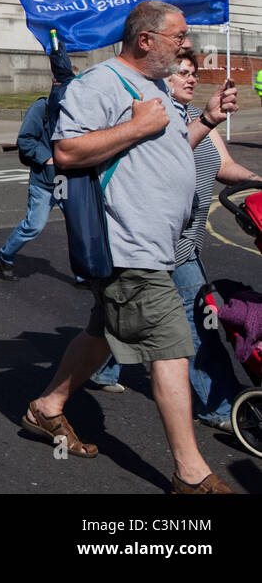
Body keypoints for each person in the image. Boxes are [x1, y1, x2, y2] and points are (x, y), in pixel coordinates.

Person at [22, 0, 237, 494]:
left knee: (102, 335)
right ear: (145, 39)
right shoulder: (99, 84)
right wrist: (137, 125)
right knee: (172, 351)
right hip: (128, 246)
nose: (185, 44)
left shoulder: (154, 87)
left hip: (155, 245)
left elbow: (166, 150)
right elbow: (66, 151)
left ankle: (47, 408)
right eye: (178, 36)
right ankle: (191, 473)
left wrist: (204, 119)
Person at [88, 50, 258, 424]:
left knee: (122, 308)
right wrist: (209, 120)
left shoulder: (196, 116)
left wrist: (257, 180)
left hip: (185, 237)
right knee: (200, 320)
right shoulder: (153, 118)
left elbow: (225, 167)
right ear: (161, 77)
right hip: (161, 239)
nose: (190, 79)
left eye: (193, 73)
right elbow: (170, 158)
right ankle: (222, 407)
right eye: (181, 72)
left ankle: (100, 368)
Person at [0, 47, 75, 281]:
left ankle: (82, 274)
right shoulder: (42, 107)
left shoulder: (76, 112)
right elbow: (25, 140)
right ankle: (5, 255)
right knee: (34, 225)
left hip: (66, 179)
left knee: (77, 227)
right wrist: (45, 157)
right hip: (44, 180)